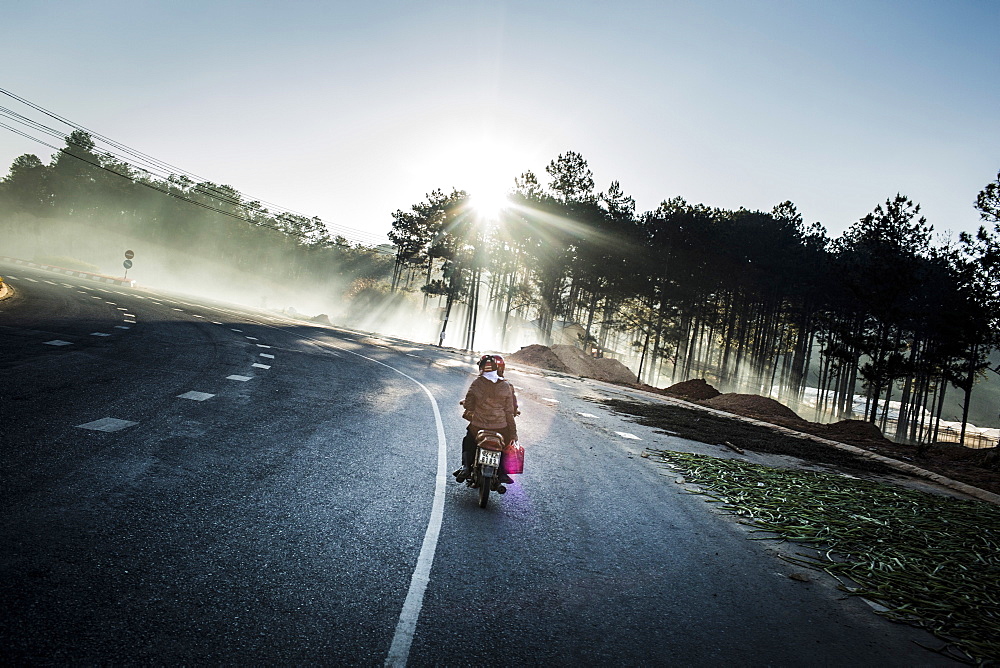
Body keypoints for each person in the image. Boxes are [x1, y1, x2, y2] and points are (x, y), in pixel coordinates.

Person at [454, 354, 518, 484]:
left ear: (481, 369)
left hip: (478, 425)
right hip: (500, 427)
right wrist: (513, 434)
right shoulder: (506, 386)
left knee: (468, 440)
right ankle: (503, 473)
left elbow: (469, 405)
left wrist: (469, 405)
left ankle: (466, 467)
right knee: (506, 444)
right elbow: (509, 412)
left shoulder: (477, 383)